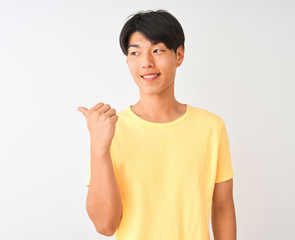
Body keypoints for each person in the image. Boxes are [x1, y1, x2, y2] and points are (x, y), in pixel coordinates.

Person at [77, 9, 236, 240]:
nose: (146, 63)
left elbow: (222, 209)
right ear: (128, 60)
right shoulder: (111, 129)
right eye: (135, 53)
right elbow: (105, 226)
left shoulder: (211, 127)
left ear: (179, 55)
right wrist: (99, 147)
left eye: (158, 50)